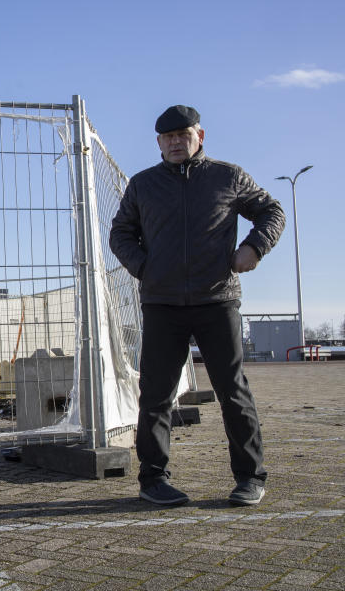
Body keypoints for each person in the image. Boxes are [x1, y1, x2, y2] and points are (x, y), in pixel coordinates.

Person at [109, 105, 285, 507]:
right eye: (167, 137)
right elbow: (120, 233)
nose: (175, 142)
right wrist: (145, 269)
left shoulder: (228, 176)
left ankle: (250, 478)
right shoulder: (143, 185)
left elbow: (272, 211)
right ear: (158, 143)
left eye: (182, 135)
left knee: (233, 392)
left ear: (199, 137)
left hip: (217, 300)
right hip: (161, 303)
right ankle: (153, 480)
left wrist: (254, 247)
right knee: (155, 395)